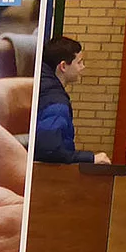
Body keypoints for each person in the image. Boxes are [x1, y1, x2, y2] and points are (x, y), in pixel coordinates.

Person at [35, 36, 111, 165]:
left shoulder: (42, 89)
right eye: (79, 62)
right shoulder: (56, 103)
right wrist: (91, 158)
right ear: (63, 66)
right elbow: (50, 150)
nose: (83, 67)